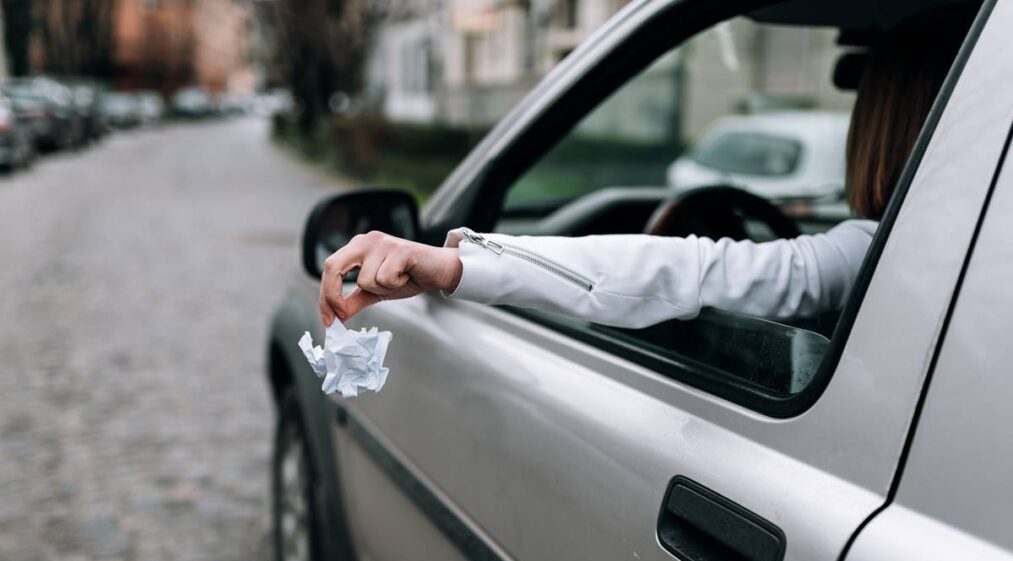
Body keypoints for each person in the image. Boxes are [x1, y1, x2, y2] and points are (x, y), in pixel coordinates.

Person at [318, 9, 970, 330]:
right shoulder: (956, 248)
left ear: (882, 125)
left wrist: (457, 264)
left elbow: (682, 269)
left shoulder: (869, 256)